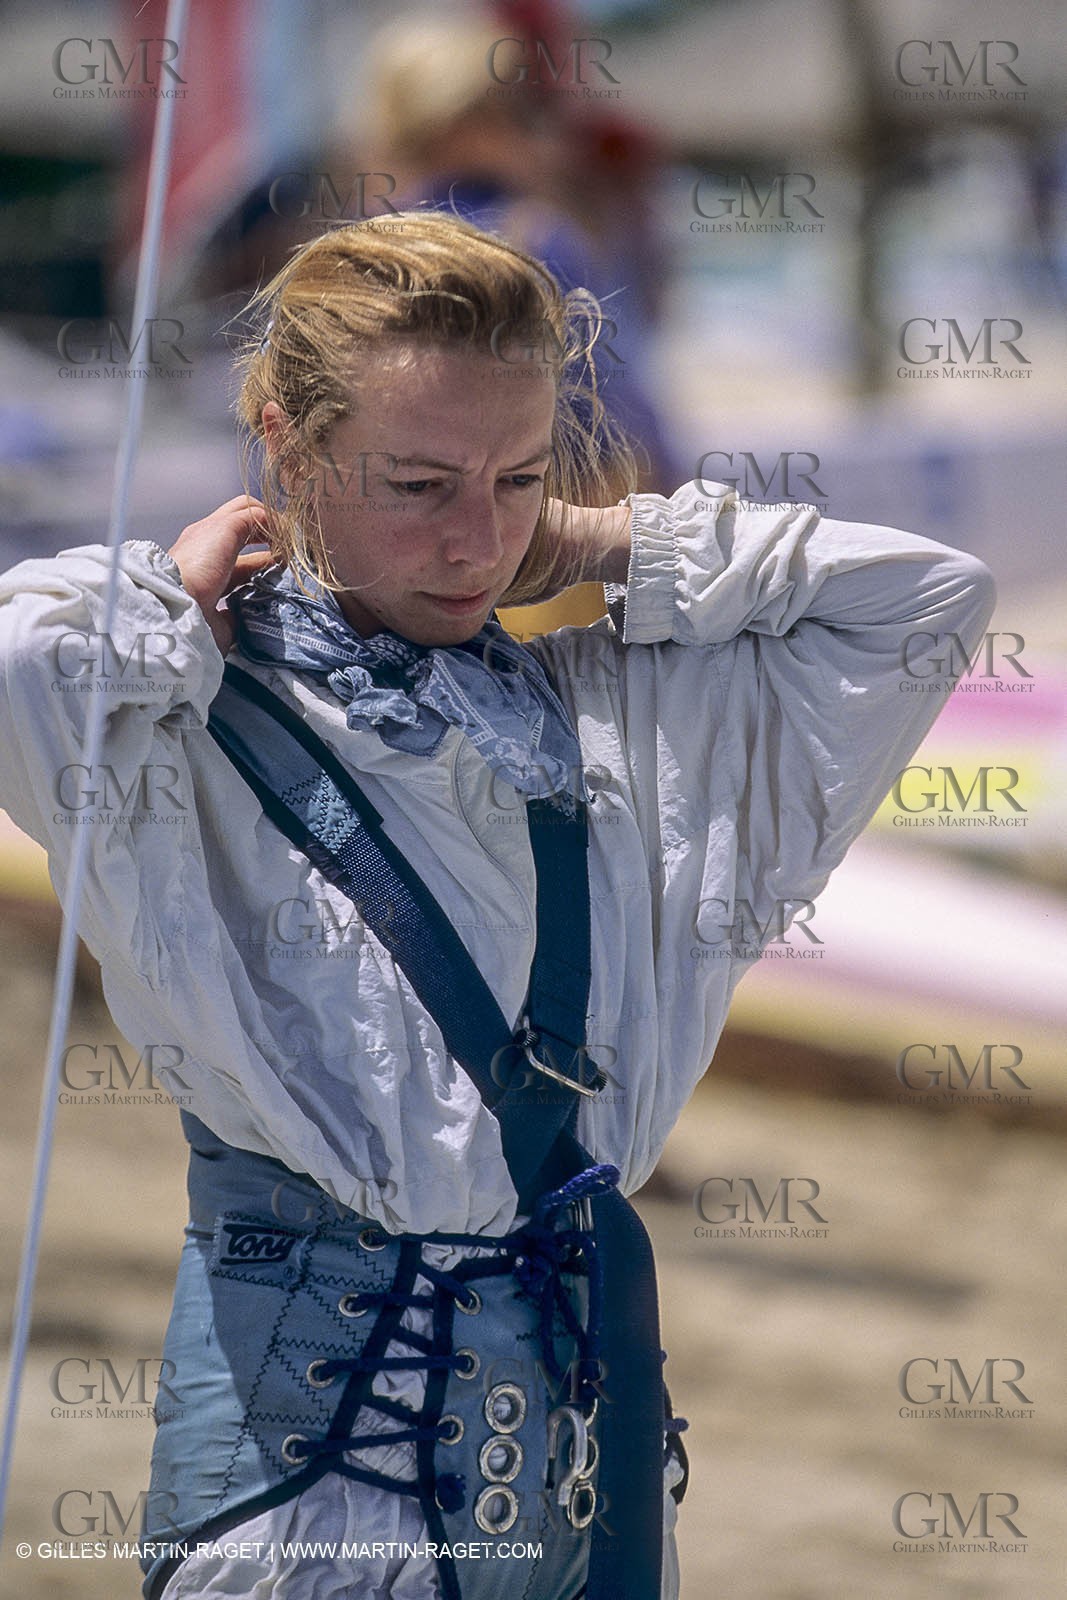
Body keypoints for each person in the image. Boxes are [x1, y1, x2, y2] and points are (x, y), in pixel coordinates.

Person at [0, 213, 994, 1599]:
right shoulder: (185, 712)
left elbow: (927, 601)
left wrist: (594, 541)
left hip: (572, 1473)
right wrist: (172, 593)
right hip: (308, 1496)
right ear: (284, 444)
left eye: (518, 478)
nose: (477, 540)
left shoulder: (604, 708)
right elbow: (19, 660)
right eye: (417, 484)